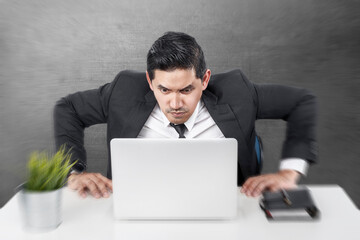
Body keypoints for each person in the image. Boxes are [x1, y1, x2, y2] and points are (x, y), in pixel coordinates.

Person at [54, 31, 317, 199]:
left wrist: (289, 172)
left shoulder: (238, 91)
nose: (176, 103)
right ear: (149, 81)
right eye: (164, 89)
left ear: (205, 79)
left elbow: (300, 102)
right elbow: (69, 108)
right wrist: (73, 172)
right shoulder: (123, 90)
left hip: (225, 207)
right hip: (137, 210)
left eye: (187, 89)